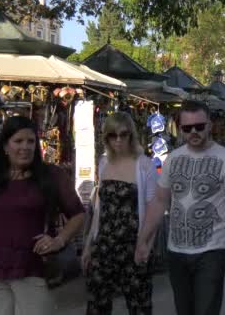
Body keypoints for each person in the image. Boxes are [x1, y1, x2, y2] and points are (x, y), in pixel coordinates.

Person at [134, 100, 225, 315]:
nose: (194, 132)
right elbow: (159, 201)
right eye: (187, 128)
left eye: (199, 126)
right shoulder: (173, 160)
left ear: (210, 125)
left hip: (212, 251)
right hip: (176, 251)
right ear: (180, 129)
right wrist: (144, 240)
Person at [0, 116, 85, 315]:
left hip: (33, 272)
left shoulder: (51, 176)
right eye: (18, 141)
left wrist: (59, 240)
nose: (26, 147)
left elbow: (78, 214)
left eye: (31, 141)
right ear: (5, 146)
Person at [82, 112, 159, 315]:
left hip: (134, 245)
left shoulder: (144, 165)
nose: (118, 140)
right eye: (111, 135)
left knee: (138, 305)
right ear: (105, 137)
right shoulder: (104, 162)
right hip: (105, 245)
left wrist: (146, 245)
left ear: (131, 135)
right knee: (97, 304)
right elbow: (99, 207)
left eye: (123, 134)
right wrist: (89, 244)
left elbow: (153, 209)